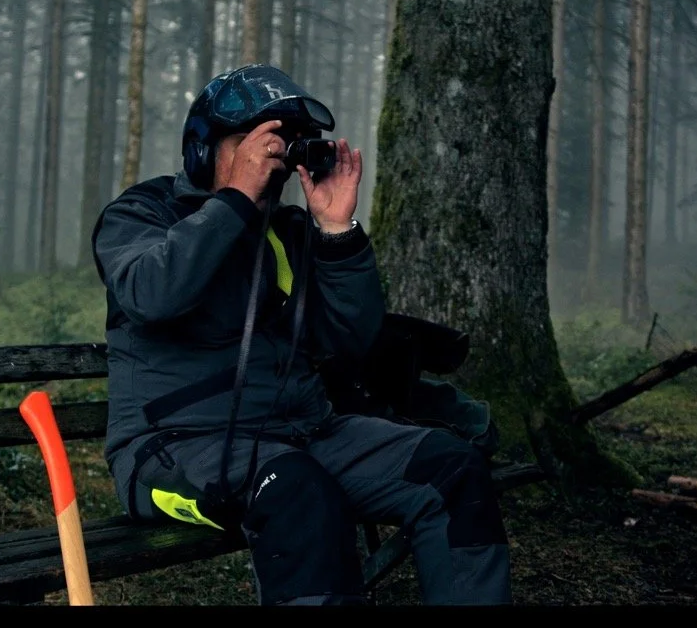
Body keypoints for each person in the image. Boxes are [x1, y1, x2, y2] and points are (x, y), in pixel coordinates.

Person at [90, 64, 511, 606]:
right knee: (297, 494)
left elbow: (346, 340)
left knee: (450, 467)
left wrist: (336, 233)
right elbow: (151, 294)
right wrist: (234, 202)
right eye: (249, 143)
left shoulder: (287, 232)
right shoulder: (142, 214)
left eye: (278, 147)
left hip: (304, 432)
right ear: (201, 149)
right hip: (173, 452)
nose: (266, 161)